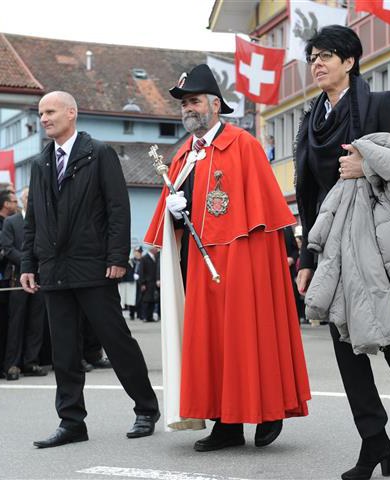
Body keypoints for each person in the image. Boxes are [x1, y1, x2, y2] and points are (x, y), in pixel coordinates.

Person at [295, 26, 390, 479]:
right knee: (344, 343)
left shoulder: (380, 104)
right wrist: (306, 258)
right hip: (332, 243)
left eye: (326, 56)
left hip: (376, 241)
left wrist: (365, 165)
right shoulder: (310, 119)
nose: (317, 64)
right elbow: (308, 193)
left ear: (349, 61)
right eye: (312, 58)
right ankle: (374, 442)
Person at [145, 64, 310, 452]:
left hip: (242, 259)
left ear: (216, 104)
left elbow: (263, 217)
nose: (189, 108)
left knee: (248, 335)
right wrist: (172, 209)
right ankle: (226, 422)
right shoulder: (184, 154)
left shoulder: (243, 144)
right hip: (200, 265)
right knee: (212, 343)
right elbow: (178, 220)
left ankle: (268, 411)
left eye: (195, 100)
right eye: (185, 103)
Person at [20, 91, 159, 448]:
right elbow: (33, 219)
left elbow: (117, 208)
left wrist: (116, 257)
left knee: (116, 340)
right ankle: (71, 422)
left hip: (93, 266)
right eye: (40, 113)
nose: (44, 118)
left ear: (71, 113)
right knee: (64, 351)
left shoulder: (99, 154)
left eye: (50, 111)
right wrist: (28, 264)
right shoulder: (40, 163)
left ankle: (146, 407)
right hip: (53, 269)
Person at [1, 187, 47, 381]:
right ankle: (11, 364)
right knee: (16, 323)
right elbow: (8, 249)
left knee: (36, 323)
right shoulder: (12, 222)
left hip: (40, 279)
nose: (32, 199)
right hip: (17, 279)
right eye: (28, 196)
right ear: (22, 199)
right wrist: (29, 264)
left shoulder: (44, 222)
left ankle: (31, 362)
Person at [0, 189, 18, 376]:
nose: (16, 204)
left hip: (7, 281)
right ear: (6, 203)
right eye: (13, 200)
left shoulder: (10, 222)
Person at [138, 247, 160, 322]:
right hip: (146, 283)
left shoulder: (156, 258)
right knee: (146, 301)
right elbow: (141, 272)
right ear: (151, 249)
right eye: (155, 248)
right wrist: (142, 283)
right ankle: (144, 316)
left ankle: (150, 317)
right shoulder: (144, 258)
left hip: (153, 283)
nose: (157, 250)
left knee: (153, 300)